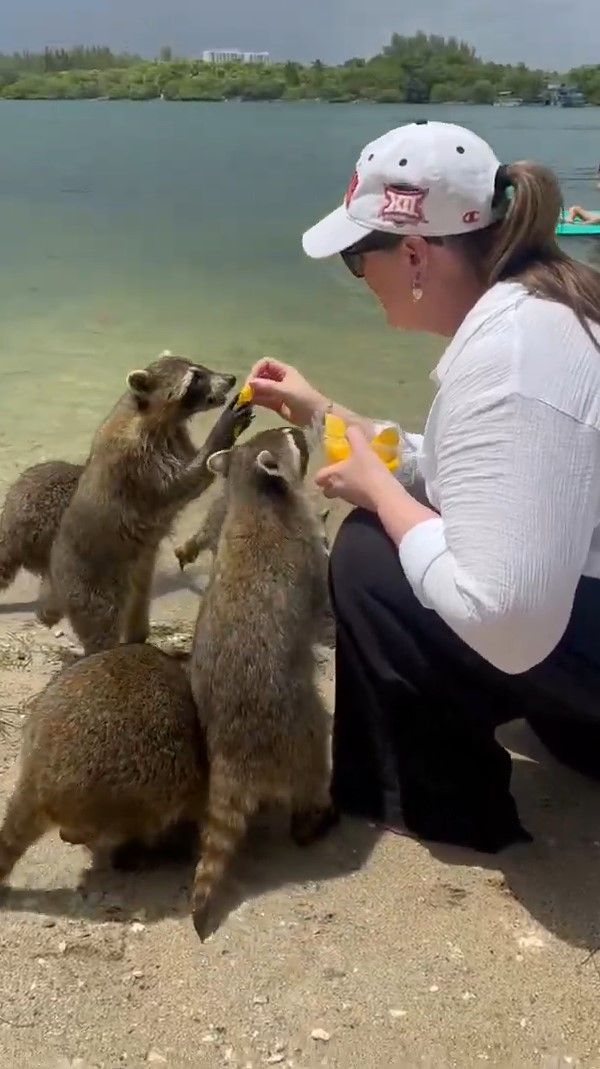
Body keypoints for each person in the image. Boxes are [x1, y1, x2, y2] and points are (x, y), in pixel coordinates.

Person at [246, 120, 600, 854]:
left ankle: (434, 800)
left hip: (560, 623)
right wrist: (322, 414)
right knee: (409, 520)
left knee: (372, 554)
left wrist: (381, 495)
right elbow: (461, 468)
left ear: (413, 253)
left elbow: (508, 617)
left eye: (354, 257)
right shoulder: (541, 311)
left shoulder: (510, 363)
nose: (356, 276)